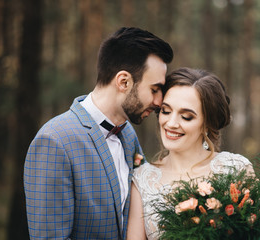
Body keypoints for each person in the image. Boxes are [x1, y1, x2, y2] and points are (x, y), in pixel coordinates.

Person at [24, 27, 173, 240]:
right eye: (154, 89)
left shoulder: (128, 135)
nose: (159, 102)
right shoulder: (54, 142)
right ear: (124, 81)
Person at [126, 67, 255, 240]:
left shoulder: (237, 169)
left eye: (186, 116)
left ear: (207, 123)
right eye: (166, 111)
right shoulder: (142, 180)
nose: (171, 123)